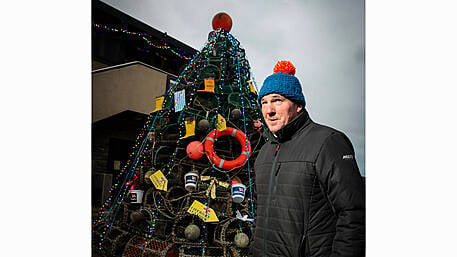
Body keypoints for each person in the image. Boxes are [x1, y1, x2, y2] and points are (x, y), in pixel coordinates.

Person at [252, 61, 365, 257]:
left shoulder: (328, 142)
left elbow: (353, 214)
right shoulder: (264, 153)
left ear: (297, 105)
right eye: (264, 102)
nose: (269, 110)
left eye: (277, 100)